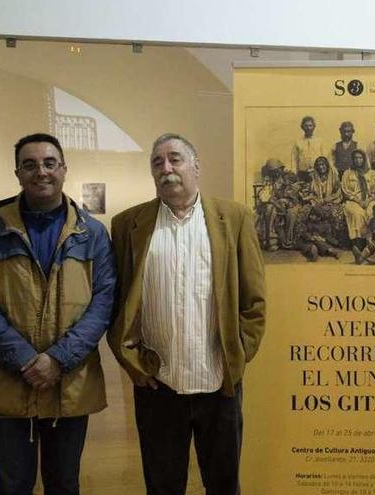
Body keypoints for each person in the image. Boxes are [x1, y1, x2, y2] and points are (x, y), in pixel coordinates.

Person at [109, 133, 266, 495]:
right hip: (157, 383)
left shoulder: (235, 218)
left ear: (196, 166)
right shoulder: (127, 225)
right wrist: (130, 360)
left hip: (218, 383)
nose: (166, 168)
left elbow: (254, 301)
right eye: (157, 162)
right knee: (163, 486)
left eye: (175, 159)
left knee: (224, 484)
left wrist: (238, 356)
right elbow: (116, 302)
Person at [0, 133, 116, 495]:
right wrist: (25, 360)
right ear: (17, 173)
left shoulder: (92, 234)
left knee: (64, 483)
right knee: (12, 484)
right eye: (29, 165)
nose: (40, 171)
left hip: (70, 385)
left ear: (63, 170)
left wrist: (58, 360)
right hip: (7, 382)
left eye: (49, 163)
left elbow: (103, 302)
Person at [341, 149, 375, 252]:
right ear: (353, 160)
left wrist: (368, 200)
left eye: (360, 158)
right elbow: (345, 190)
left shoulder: (371, 173)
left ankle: (372, 241)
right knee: (358, 213)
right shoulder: (348, 173)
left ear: (364, 159)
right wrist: (358, 201)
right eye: (356, 158)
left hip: (369, 200)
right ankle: (359, 242)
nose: (358, 160)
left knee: (372, 211)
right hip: (353, 200)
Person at [290, 115, 327, 180]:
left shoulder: (320, 141)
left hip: (317, 172)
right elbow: (294, 159)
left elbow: (324, 158)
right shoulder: (298, 142)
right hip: (302, 173)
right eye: (306, 126)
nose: (308, 128)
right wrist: (294, 173)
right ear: (302, 127)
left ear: (314, 127)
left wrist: (324, 173)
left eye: (310, 125)